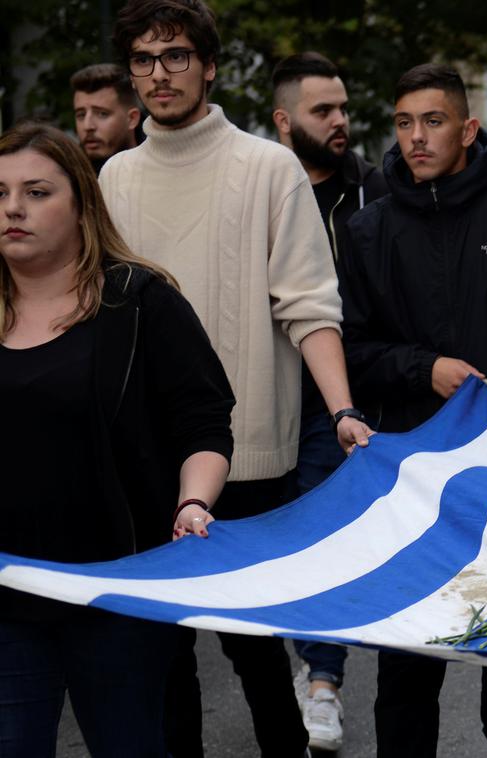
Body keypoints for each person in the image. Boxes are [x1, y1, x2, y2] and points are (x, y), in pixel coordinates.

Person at [99, 2, 372, 756]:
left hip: (250, 450)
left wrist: (341, 406)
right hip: (144, 456)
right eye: (145, 60)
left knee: (252, 648)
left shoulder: (268, 167)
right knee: (163, 655)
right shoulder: (113, 178)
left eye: (177, 55)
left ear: (210, 65)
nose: (160, 74)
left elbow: (309, 304)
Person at [338, 63, 487, 758]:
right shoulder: (367, 229)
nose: (417, 138)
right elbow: (352, 347)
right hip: (412, 468)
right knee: (408, 646)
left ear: (468, 128)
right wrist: (424, 368)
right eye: (405, 123)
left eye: (434, 121)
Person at [0, 123, 234, 757]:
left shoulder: (140, 303)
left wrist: (193, 503)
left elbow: (204, 423)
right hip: (7, 598)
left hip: (119, 592)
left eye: (36, 191)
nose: (13, 207)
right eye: (0, 193)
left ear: (81, 205)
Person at [270, 49, 388, 753]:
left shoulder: (374, 191)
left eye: (343, 107)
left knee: (324, 536)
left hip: (340, 403)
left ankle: (323, 683)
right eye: (323, 111)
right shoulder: (258, 187)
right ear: (284, 121)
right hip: (259, 395)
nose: (340, 121)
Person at [70, 63, 141, 172]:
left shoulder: (161, 168)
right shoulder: (67, 176)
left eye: (102, 114)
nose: (88, 126)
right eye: (81, 115)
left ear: (132, 119)